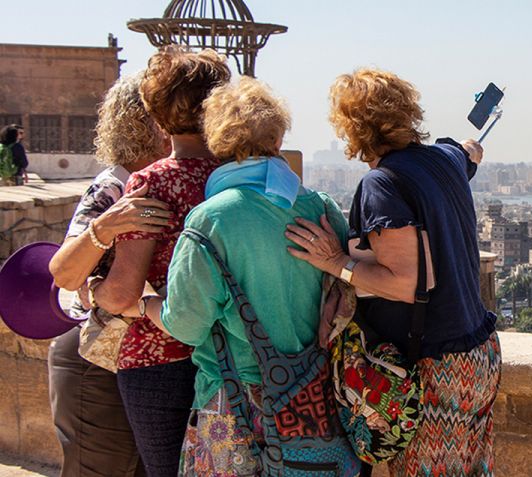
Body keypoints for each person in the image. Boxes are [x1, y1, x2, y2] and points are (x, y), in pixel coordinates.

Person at [285, 68, 501, 477]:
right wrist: (470, 146)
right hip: (478, 352)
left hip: (436, 363)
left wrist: (336, 263)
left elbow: (407, 283)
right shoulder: (444, 159)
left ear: (351, 128)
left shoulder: (382, 184)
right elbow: (467, 153)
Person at [138, 76, 355, 476]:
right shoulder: (320, 207)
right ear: (277, 139)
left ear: (220, 141)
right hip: (312, 400)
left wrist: (146, 303)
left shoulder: (211, 219)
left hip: (233, 406)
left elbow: (185, 324)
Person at [88, 47, 230, 477]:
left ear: (154, 109)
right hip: (232, 352)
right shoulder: (239, 175)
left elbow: (122, 293)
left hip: (158, 358)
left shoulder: (153, 181)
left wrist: (94, 289)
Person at [46, 72, 172, 477]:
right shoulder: (112, 187)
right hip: (93, 361)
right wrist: (104, 228)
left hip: (142, 362)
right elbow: (66, 276)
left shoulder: (169, 181)